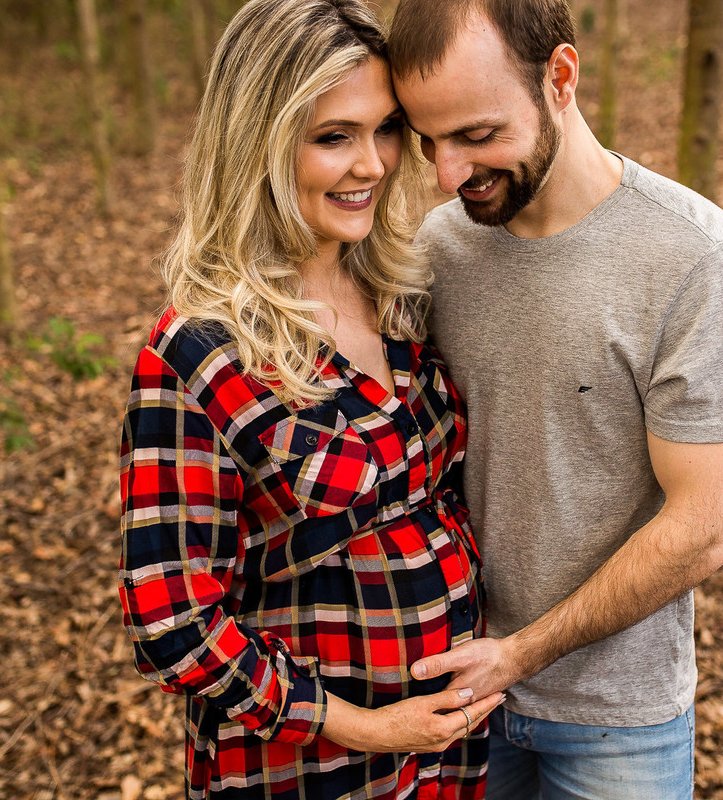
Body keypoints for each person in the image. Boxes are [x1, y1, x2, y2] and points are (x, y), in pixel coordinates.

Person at [387, 1, 723, 798]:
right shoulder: (434, 253)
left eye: (477, 134)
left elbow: (709, 526)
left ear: (559, 78)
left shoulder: (697, 262)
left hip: (616, 723)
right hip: (449, 704)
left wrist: (521, 652)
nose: (449, 173)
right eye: (429, 141)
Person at [117, 1, 503, 798]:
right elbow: (172, 619)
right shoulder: (196, 352)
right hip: (310, 769)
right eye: (334, 137)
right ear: (258, 143)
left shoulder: (400, 292)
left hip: (452, 757)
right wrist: (367, 725)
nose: (374, 163)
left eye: (386, 128)